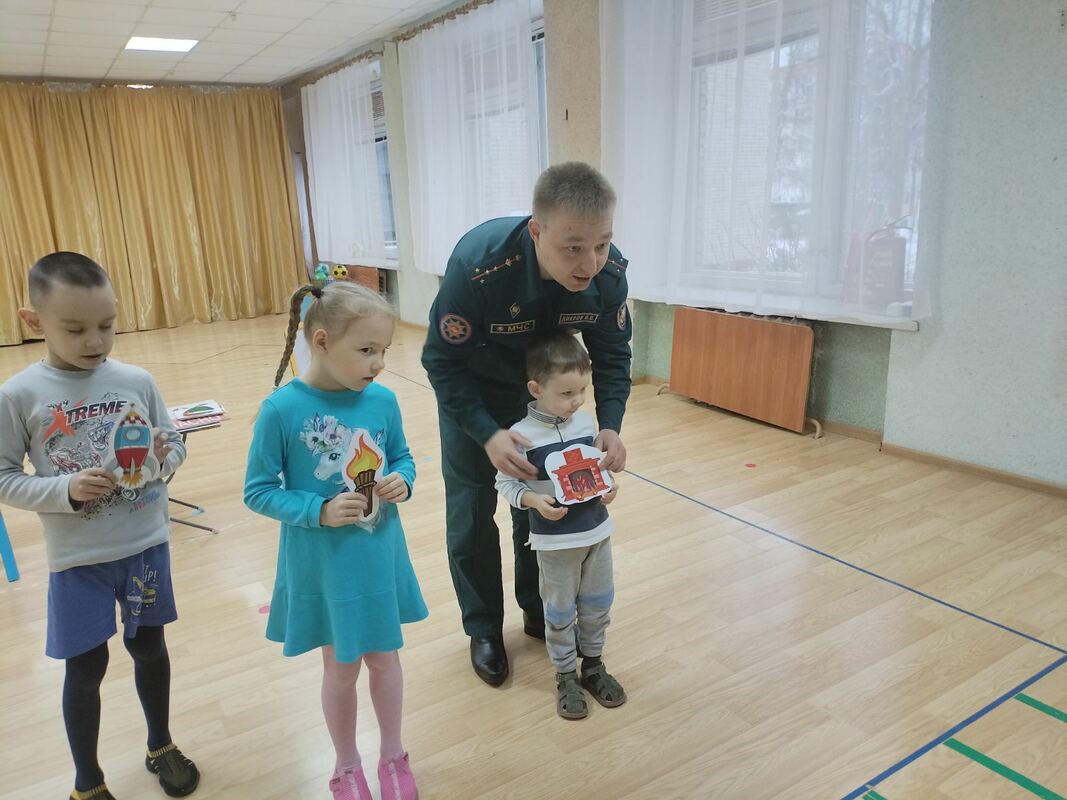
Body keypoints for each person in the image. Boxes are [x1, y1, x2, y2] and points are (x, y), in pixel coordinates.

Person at [422, 161, 632, 686]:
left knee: (543, 502)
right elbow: (441, 361)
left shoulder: (607, 274)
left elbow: (612, 355)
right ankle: (483, 628)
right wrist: (486, 433)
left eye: (602, 244)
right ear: (537, 231)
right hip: (475, 393)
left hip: (541, 398)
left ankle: (538, 609)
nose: (590, 263)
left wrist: (610, 425)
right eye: (573, 247)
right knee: (472, 511)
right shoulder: (480, 266)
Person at [0, 252, 198, 800]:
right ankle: (87, 781)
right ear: (33, 322)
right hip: (78, 563)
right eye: (75, 329)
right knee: (85, 670)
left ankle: (160, 744)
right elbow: (4, 477)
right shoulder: (19, 395)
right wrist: (64, 490)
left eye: (107, 325)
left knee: (150, 650)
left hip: (144, 550)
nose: (95, 341)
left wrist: (158, 461)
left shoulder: (136, 380)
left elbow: (173, 444)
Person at [244, 282, 427, 800]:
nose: (379, 363)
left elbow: (403, 457)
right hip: (324, 565)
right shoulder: (281, 410)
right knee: (341, 666)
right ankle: (346, 765)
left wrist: (403, 480)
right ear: (321, 341)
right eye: (366, 350)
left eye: (384, 350)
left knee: (386, 659)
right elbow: (257, 491)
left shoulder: (383, 401)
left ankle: (393, 754)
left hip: (378, 556)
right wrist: (317, 510)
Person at [495, 331, 626, 719]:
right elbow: (505, 483)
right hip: (554, 543)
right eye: (566, 393)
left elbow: (594, 470)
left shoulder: (585, 423)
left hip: (597, 534)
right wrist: (533, 501)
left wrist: (608, 485)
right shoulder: (521, 435)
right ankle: (566, 674)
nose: (577, 400)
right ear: (536, 388)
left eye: (583, 390)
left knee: (598, 603)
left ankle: (594, 665)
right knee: (559, 611)